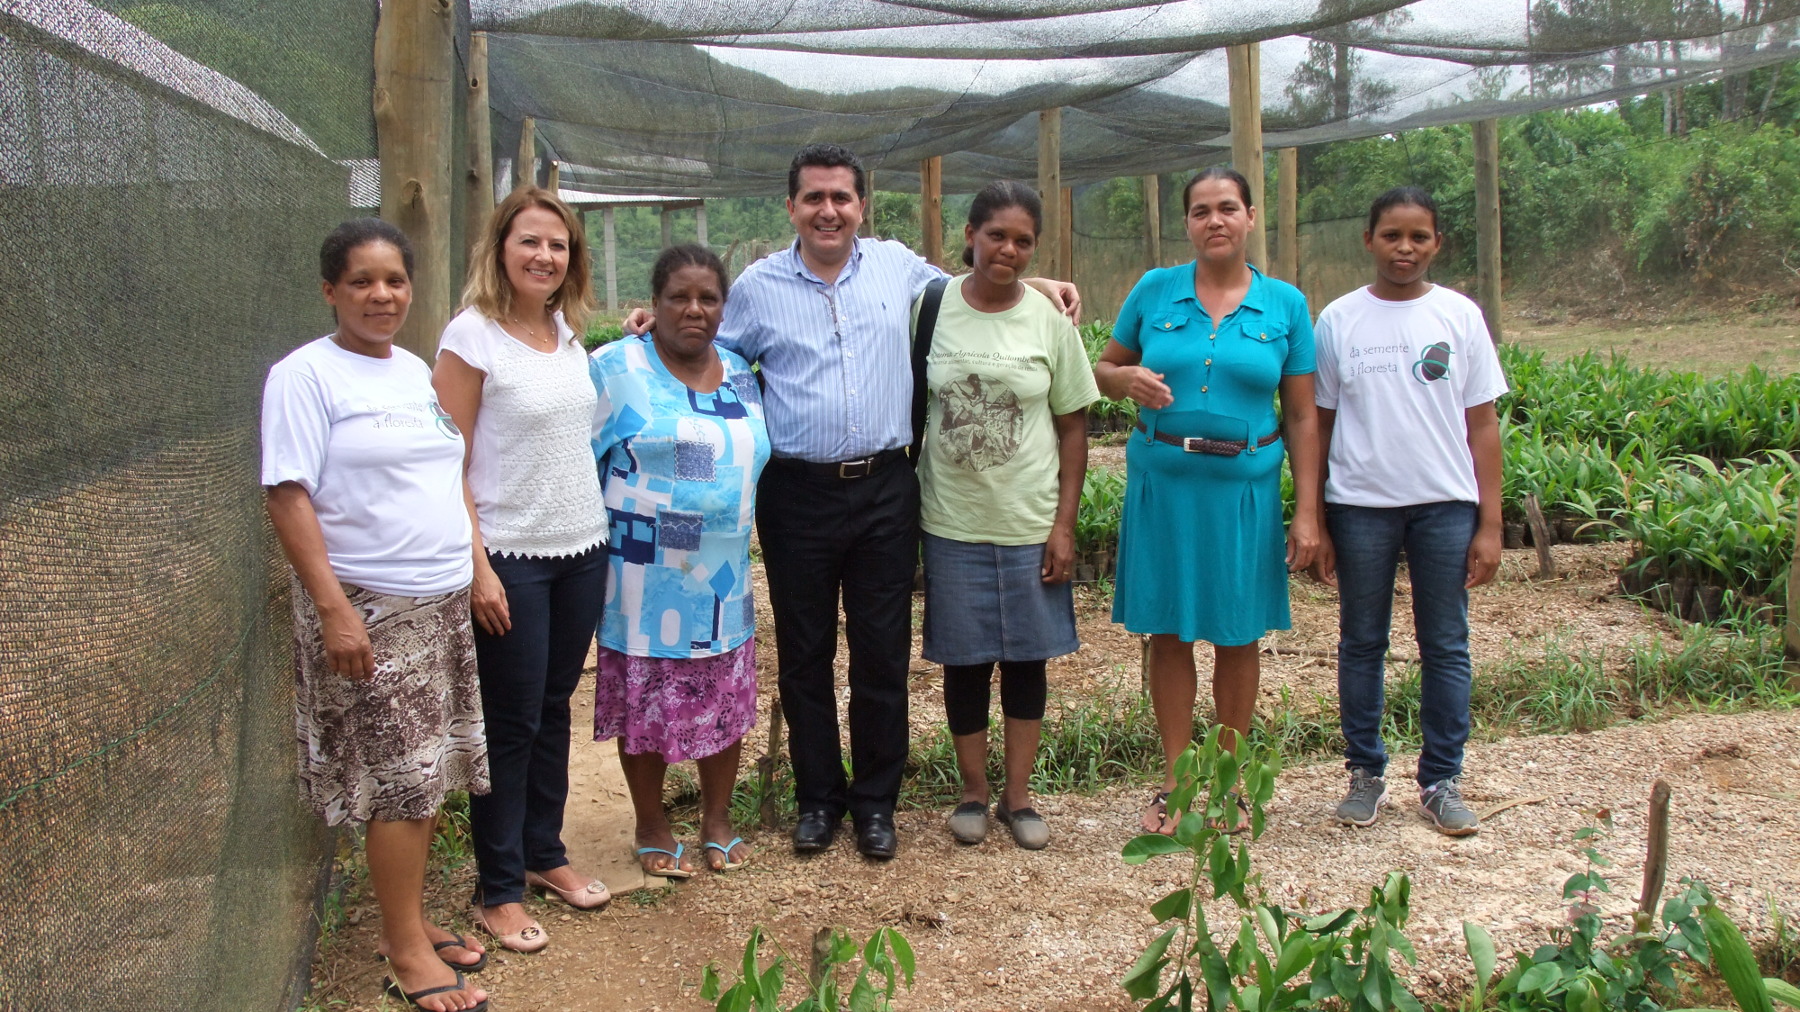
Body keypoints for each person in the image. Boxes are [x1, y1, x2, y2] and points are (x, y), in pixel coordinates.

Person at [626, 144, 1076, 860]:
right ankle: (817, 801)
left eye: (841, 197)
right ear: (791, 208)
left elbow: (976, 281)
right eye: (814, 197)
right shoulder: (757, 286)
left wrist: (1040, 281)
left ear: (862, 206)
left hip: (885, 491)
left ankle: (875, 804)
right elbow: (704, 341)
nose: (828, 210)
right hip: (797, 494)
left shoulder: (899, 268)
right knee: (804, 655)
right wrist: (651, 327)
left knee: (880, 654)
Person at [261, 219, 490, 1012]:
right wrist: (334, 610)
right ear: (330, 290)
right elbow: (287, 495)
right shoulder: (304, 376)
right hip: (369, 609)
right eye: (361, 281)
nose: (381, 295)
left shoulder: (411, 370)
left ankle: (411, 921)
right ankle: (405, 951)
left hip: (437, 603)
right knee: (399, 783)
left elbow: (442, 474)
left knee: (426, 774)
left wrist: (471, 570)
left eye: (395, 280)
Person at [1094, 167, 1322, 836]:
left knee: (1237, 633)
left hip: (1243, 493)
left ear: (1250, 216)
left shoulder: (1285, 305)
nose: (1214, 220)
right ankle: (1175, 781)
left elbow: (1303, 416)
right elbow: (1103, 370)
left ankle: (1227, 786)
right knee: (1168, 631)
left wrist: (1309, 511)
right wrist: (1124, 380)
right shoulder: (1154, 290)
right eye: (1200, 211)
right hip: (1164, 487)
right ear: (1187, 223)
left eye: (1227, 208)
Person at [433, 186, 611, 953]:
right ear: (500, 248)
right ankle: (498, 887)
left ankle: (544, 852)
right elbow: (447, 461)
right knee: (511, 723)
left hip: (582, 550)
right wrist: (478, 567)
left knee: (554, 706)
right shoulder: (471, 337)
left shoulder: (566, 332)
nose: (544, 255)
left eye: (558, 245)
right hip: (509, 557)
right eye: (529, 241)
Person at [1309, 186, 1506, 837]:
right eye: (1392, 235)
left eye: (1419, 236)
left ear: (1436, 243)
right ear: (1368, 240)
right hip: (1360, 506)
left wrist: (1491, 523)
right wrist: (1316, 516)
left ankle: (1441, 780)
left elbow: (1483, 424)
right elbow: (1320, 423)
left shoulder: (1459, 316)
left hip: (1445, 506)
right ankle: (1365, 774)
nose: (1405, 248)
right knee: (1362, 642)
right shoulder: (1339, 320)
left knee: (1445, 642)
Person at [917, 181, 1100, 851]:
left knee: (1027, 662)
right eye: (996, 235)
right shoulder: (930, 308)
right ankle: (972, 791)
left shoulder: (1047, 320)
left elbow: (1073, 426)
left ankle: (1018, 797)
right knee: (964, 663)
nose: (1009, 250)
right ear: (970, 235)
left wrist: (1064, 525)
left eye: (1024, 241)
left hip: (1029, 521)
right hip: (951, 519)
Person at [589, 245, 771, 877]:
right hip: (643, 578)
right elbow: (579, 460)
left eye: (708, 298)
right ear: (655, 303)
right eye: (679, 297)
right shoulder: (616, 368)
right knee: (644, 703)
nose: (694, 309)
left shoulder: (741, 371)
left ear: (724, 307)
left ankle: (717, 820)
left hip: (723, 578)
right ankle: (651, 823)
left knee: (724, 697)